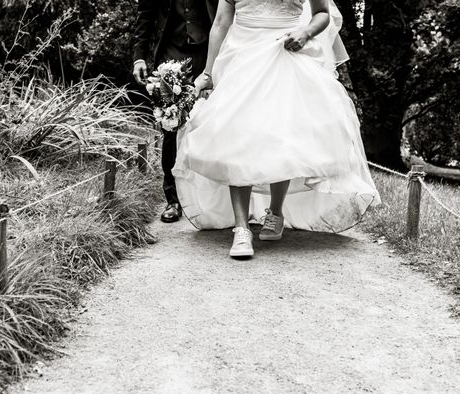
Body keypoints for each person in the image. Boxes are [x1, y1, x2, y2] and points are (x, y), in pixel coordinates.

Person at [172, 0, 380, 257]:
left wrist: (305, 33)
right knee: (237, 138)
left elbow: (322, 15)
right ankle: (241, 228)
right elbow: (221, 22)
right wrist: (208, 71)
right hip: (242, 58)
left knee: (281, 135)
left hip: (287, 55)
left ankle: (276, 212)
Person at [133, 0, 218, 223]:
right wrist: (139, 56)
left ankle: (211, 196)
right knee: (171, 123)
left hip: (208, 50)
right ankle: (173, 199)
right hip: (171, 51)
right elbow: (146, 13)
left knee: (211, 121)